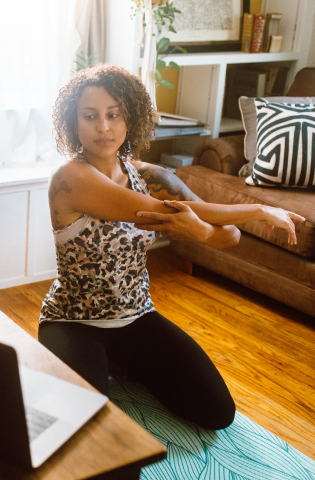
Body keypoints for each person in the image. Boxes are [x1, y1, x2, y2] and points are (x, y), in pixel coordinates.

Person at [39, 64, 304, 430]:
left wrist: (202, 233)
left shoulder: (148, 176)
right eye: (90, 116)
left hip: (137, 317)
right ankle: (104, 366)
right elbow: (170, 210)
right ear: (74, 123)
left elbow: (229, 235)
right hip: (73, 322)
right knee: (88, 429)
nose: (104, 127)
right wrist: (258, 208)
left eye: (113, 114)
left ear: (129, 117)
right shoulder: (72, 179)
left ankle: (124, 364)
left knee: (217, 412)